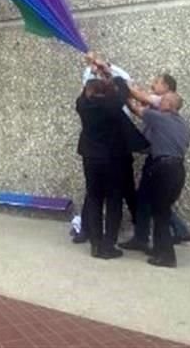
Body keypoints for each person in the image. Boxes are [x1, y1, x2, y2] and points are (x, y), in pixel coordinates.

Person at [123, 92, 190, 268]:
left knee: (161, 214)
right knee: (160, 210)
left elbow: (135, 108)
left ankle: (167, 257)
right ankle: (159, 249)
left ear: (170, 105)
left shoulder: (160, 118)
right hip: (176, 169)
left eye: (163, 100)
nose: (159, 102)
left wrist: (123, 92)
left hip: (163, 168)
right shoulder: (183, 125)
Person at [75, 75, 130, 259]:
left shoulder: (82, 106)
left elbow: (83, 95)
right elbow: (124, 91)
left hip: (90, 158)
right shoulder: (111, 106)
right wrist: (114, 78)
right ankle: (109, 245)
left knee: (94, 198)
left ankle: (96, 244)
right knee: (114, 201)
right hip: (112, 159)